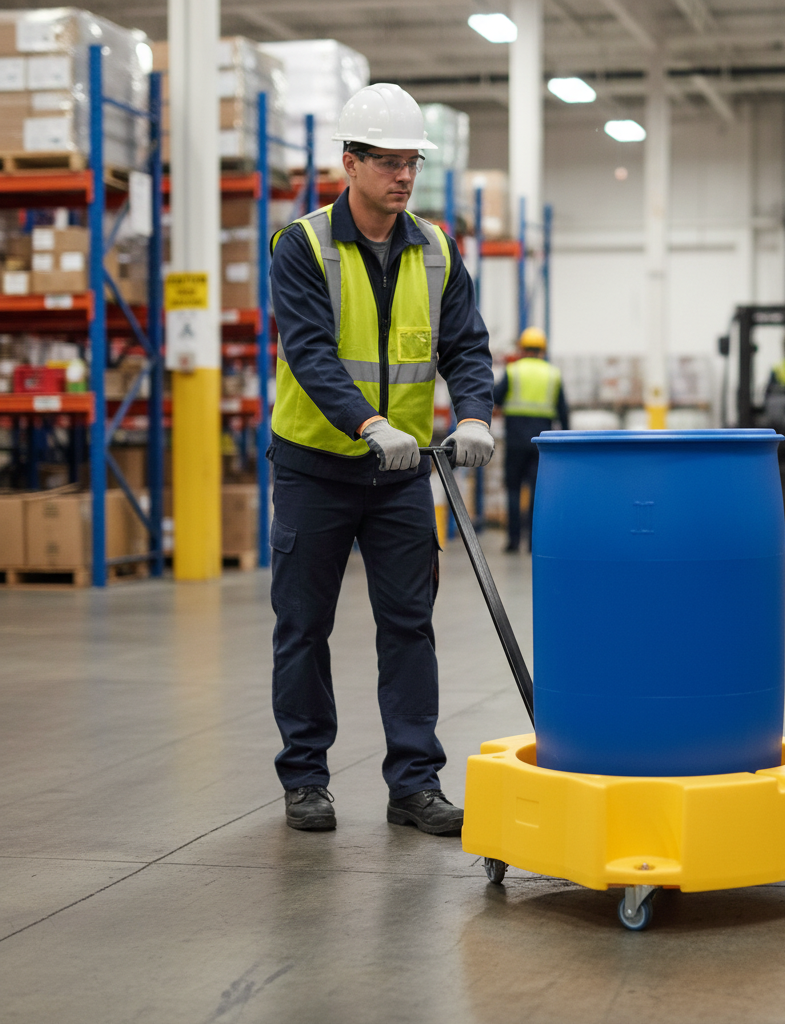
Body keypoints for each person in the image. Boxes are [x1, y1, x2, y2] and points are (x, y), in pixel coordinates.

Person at [267, 83, 495, 835]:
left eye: (411, 163)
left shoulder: (436, 250)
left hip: (402, 476)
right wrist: (367, 422)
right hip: (315, 468)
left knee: (409, 626)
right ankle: (306, 778)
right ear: (350, 163)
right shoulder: (302, 246)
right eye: (389, 162)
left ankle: (414, 785)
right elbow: (309, 352)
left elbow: (466, 345)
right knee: (304, 628)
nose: (403, 176)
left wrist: (474, 413)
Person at [492, 327, 570, 553]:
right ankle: (533, 542)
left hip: (515, 440)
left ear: (522, 349)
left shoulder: (513, 370)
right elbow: (563, 411)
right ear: (542, 350)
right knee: (538, 492)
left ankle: (513, 541)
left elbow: (495, 397)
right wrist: (566, 438)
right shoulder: (553, 374)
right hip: (541, 444)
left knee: (513, 489)